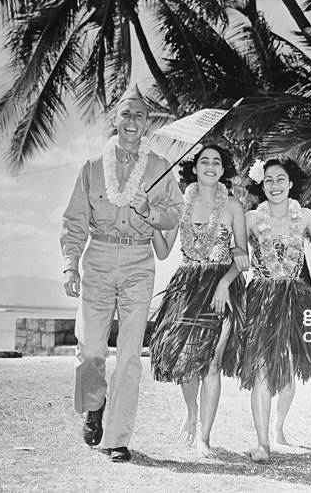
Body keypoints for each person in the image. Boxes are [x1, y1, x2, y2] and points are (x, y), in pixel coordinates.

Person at [60, 85, 184, 463]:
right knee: (90, 352)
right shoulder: (93, 167)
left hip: (137, 263)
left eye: (140, 116)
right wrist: (70, 264)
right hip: (97, 260)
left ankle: (117, 438)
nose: (132, 122)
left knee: (130, 356)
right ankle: (94, 405)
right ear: (115, 119)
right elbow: (75, 221)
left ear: (147, 124)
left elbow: (174, 213)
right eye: (126, 114)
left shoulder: (160, 167)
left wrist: (149, 210)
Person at [240, 158, 311, 463]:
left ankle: (277, 426)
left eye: (280, 179)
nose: (274, 186)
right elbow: (233, 252)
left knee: (285, 371)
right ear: (261, 184)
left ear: (291, 183)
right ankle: (262, 444)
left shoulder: (306, 216)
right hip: (260, 297)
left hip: (294, 298)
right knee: (260, 367)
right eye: (268, 180)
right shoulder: (249, 219)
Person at [149, 144, 249, 457]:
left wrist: (224, 283)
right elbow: (164, 251)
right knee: (186, 360)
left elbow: (243, 256)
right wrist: (148, 218)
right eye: (204, 160)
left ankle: (204, 436)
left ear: (223, 169)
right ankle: (191, 411)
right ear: (195, 168)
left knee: (213, 363)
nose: (210, 166)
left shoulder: (233, 206)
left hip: (222, 286)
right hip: (187, 287)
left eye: (216, 161)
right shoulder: (180, 203)